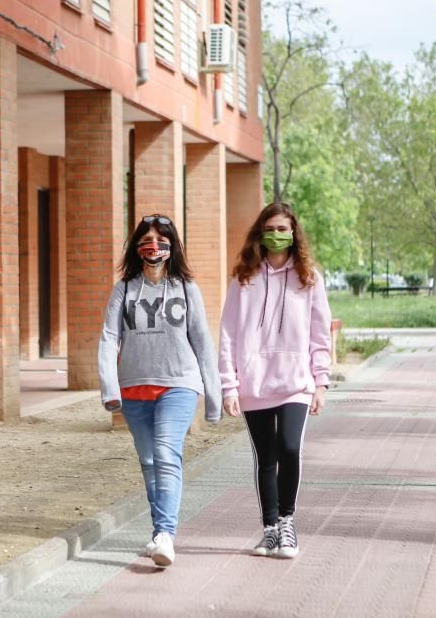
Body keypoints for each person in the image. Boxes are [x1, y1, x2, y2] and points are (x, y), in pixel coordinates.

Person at [98, 214, 222, 568]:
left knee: (167, 455)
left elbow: (202, 342)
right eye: (147, 239)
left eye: (161, 239)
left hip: (178, 384)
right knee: (150, 461)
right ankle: (158, 533)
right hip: (134, 387)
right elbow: (109, 338)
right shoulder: (124, 289)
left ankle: (166, 534)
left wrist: (212, 397)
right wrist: (109, 388)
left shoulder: (186, 288)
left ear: (172, 247)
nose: (154, 246)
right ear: (137, 247)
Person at [219, 202, 331, 559]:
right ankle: (269, 529)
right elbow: (228, 334)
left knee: (290, 448)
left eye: (284, 229)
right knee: (265, 457)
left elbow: (320, 333)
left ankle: (287, 521)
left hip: (296, 382)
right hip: (254, 385)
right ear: (260, 232)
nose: (277, 235)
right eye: (271, 228)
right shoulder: (243, 278)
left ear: (294, 233)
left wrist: (321, 381)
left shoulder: (309, 277)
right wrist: (229, 384)